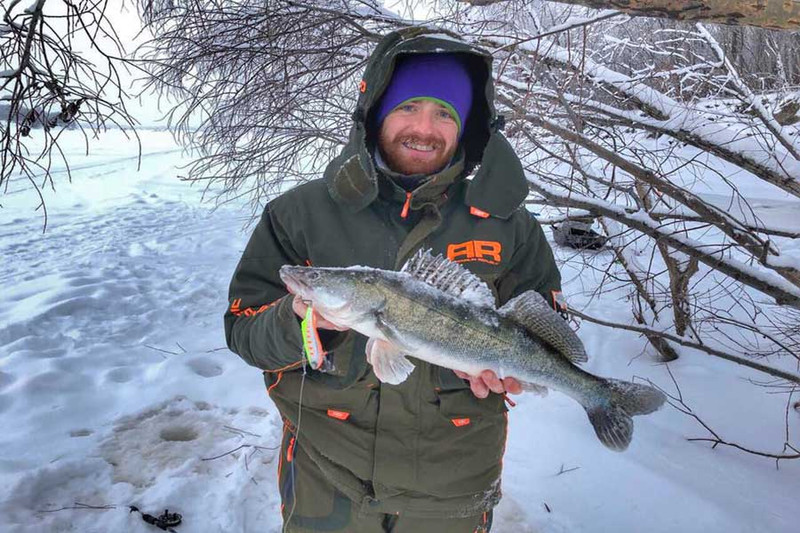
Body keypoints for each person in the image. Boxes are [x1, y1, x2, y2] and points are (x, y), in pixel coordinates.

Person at [224, 26, 561, 533]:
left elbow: (546, 329)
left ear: (466, 127)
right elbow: (243, 332)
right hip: (324, 473)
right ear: (377, 111)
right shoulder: (299, 214)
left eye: (444, 113)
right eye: (408, 107)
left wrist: (516, 372)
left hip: (453, 485)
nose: (424, 128)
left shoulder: (509, 225)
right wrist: (297, 320)